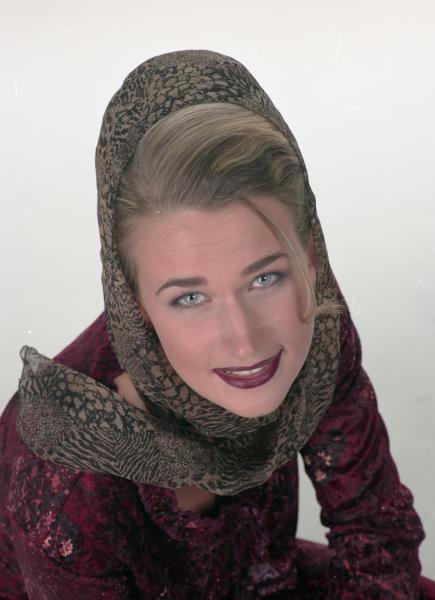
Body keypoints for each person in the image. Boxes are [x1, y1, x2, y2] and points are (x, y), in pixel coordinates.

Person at [0, 49, 434, 599]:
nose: (245, 341)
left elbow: (374, 530)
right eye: (189, 297)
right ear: (133, 301)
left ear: (310, 258)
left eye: (265, 279)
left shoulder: (314, 326)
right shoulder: (65, 473)